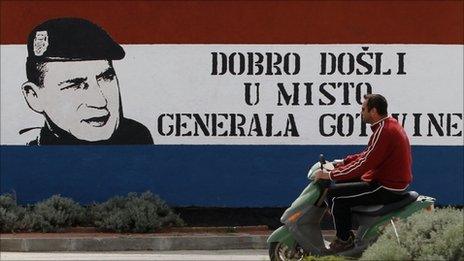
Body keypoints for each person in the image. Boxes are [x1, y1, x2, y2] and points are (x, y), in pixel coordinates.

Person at [21, 17, 153, 145]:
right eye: (75, 85)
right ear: (34, 96)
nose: (100, 101)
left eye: (106, 78)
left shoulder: (137, 138)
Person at [314, 94, 413, 252]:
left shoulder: (385, 131)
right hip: (386, 181)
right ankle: (348, 233)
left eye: (363, 109)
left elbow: (364, 164)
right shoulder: (387, 126)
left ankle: (344, 240)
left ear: (373, 111)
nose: (361, 113)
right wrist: (340, 163)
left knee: (337, 198)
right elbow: (367, 155)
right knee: (339, 186)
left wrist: (329, 175)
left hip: (387, 187)